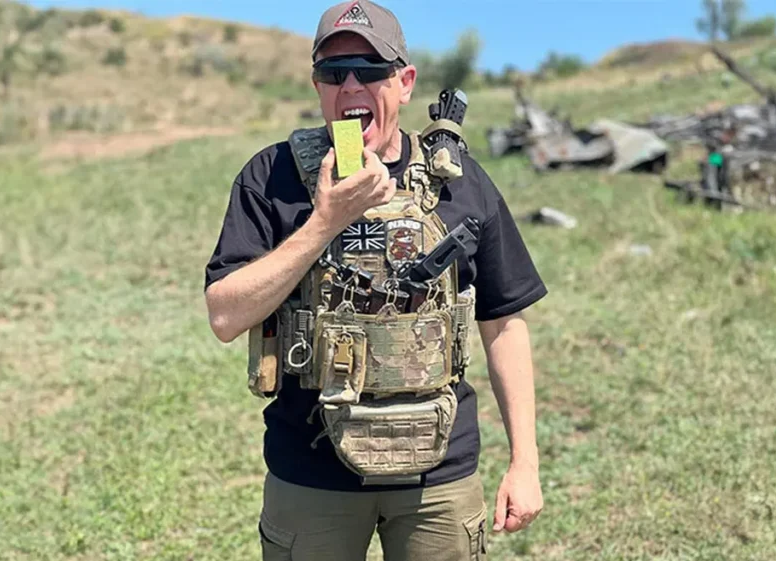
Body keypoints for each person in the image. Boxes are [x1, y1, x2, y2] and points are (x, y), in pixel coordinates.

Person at [204, 1, 547, 559]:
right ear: (317, 85)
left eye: (370, 71)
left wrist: (524, 463)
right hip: (311, 475)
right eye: (334, 72)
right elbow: (225, 315)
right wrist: (324, 222)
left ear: (405, 82)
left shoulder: (459, 181)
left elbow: (504, 321)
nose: (350, 86)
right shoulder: (271, 176)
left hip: (438, 475)